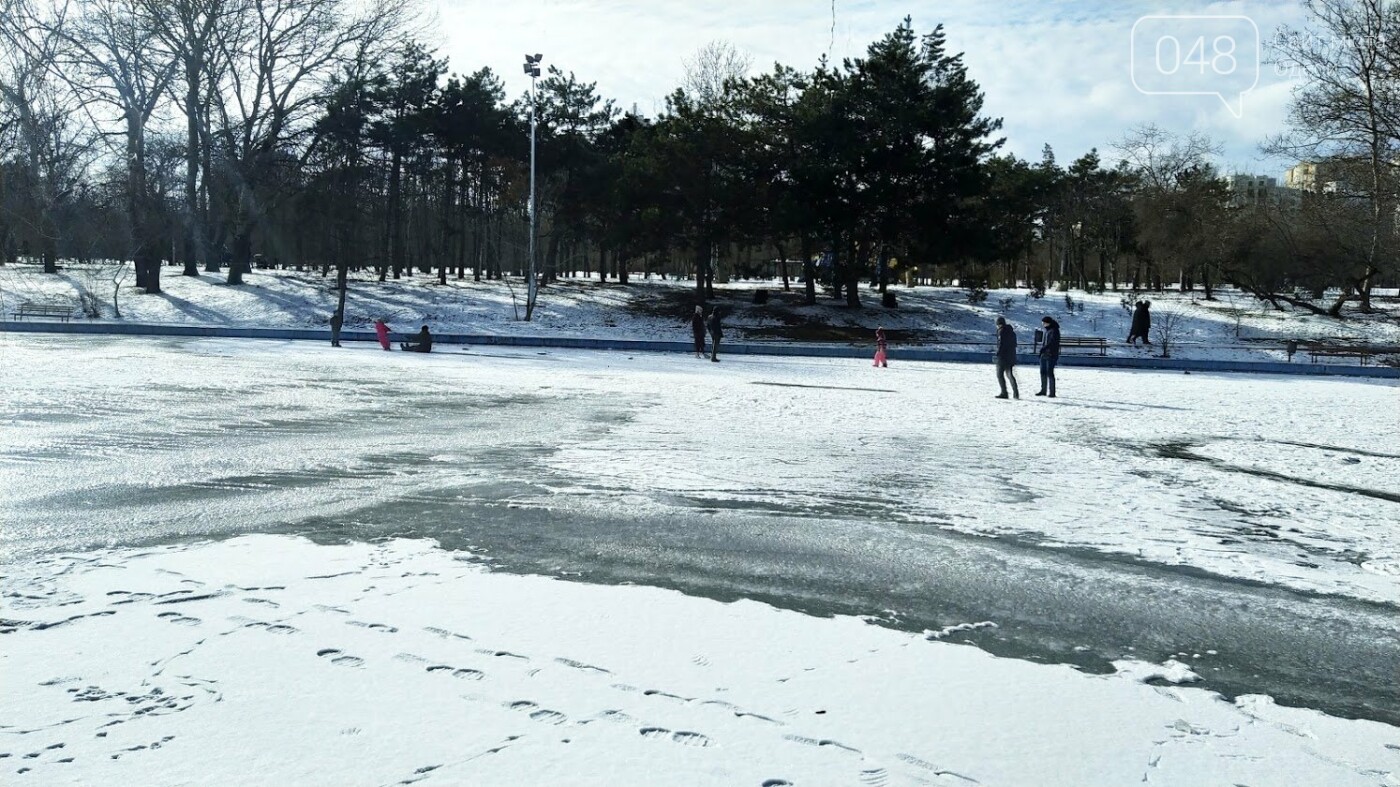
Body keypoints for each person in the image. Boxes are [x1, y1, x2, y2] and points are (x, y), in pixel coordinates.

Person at [994, 316, 1018, 399]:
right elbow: (1015, 344)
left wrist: (998, 354)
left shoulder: (1001, 331)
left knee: (999, 374)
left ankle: (1004, 392)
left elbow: (1001, 344)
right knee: (1010, 374)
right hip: (1011, 356)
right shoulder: (1012, 332)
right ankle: (1016, 393)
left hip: (1003, 357)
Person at [1037, 316, 1060, 398]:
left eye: (1043, 322)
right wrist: (1042, 351)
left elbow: (1052, 343)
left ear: (1048, 322)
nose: (1042, 324)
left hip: (1051, 354)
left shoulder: (1054, 331)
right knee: (1042, 372)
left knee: (1050, 373)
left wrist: (1044, 349)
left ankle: (1052, 392)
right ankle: (1043, 390)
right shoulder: (1047, 330)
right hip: (1044, 354)